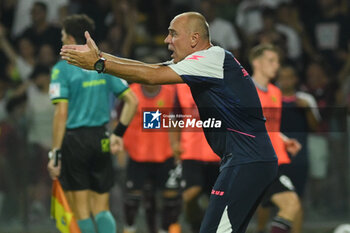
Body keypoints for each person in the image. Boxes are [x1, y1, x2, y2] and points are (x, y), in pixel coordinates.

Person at [61, 12, 278, 233]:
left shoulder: (210, 59)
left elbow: (151, 75)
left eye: (173, 34)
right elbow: (151, 68)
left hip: (246, 161)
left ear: (194, 39)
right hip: (248, 160)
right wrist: (100, 56)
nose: (166, 40)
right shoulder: (208, 61)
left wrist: (99, 64)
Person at [47, 14, 138, 233]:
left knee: (82, 210)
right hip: (101, 139)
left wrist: (55, 153)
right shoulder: (103, 64)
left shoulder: (62, 69)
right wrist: (117, 134)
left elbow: (61, 113)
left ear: (69, 38)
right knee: (101, 208)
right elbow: (132, 101)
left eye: (62, 36)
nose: (61, 41)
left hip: (74, 141)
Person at [249, 43, 302, 233]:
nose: (276, 66)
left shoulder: (275, 92)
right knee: (291, 204)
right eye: (271, 60)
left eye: (277, 61)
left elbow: (269, 128)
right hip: (253, 163)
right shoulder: (245, 91)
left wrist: (284, 140)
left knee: (292, 205)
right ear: (256, 62)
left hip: (270, 162)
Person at [122, 83, 182, 233]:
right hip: (137, 155)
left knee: (171, 197)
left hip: (164, 155)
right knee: (133, 198)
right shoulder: (131, 91)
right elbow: (120, 119)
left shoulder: (171, 92)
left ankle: (164, 229)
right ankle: (129, 228)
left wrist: (175, 144)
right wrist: (121, 148)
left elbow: (175, 119)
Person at [175, 83, 220, 233]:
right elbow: (174, 116)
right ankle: (197, 225)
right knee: (189, 195)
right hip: (191, 152)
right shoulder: (180, 88)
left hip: (216, 154)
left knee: (219, 200)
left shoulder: (221, 83)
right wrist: (174, 143)